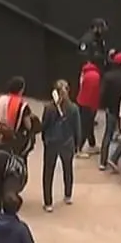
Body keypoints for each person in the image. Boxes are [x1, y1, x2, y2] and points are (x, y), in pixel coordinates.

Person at [40, 79, 81, 211]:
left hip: (60, 143)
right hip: (59, 142)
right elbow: (45, 126)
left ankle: (59, 198)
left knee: (60, 170)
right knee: (56, 170)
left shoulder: (70, 108)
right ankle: (56, 199)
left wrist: (77, 144)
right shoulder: (52, 108)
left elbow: (77, 126)